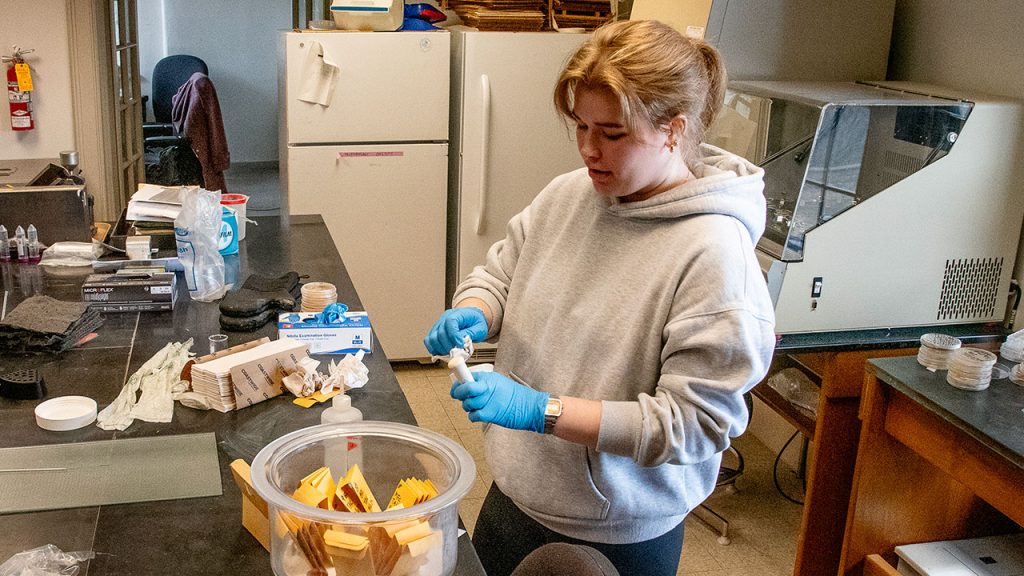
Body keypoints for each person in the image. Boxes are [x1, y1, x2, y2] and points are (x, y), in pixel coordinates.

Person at [423, 19, 775, 576]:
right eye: (581, 127)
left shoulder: (714, 256)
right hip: (518, 492)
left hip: (617, 531)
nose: (589, 150)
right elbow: (501, 275)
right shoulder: (569, 194)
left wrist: (542, 411)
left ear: (672, 130)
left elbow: (693, 425)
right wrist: (476, 309)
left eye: (612, 134)